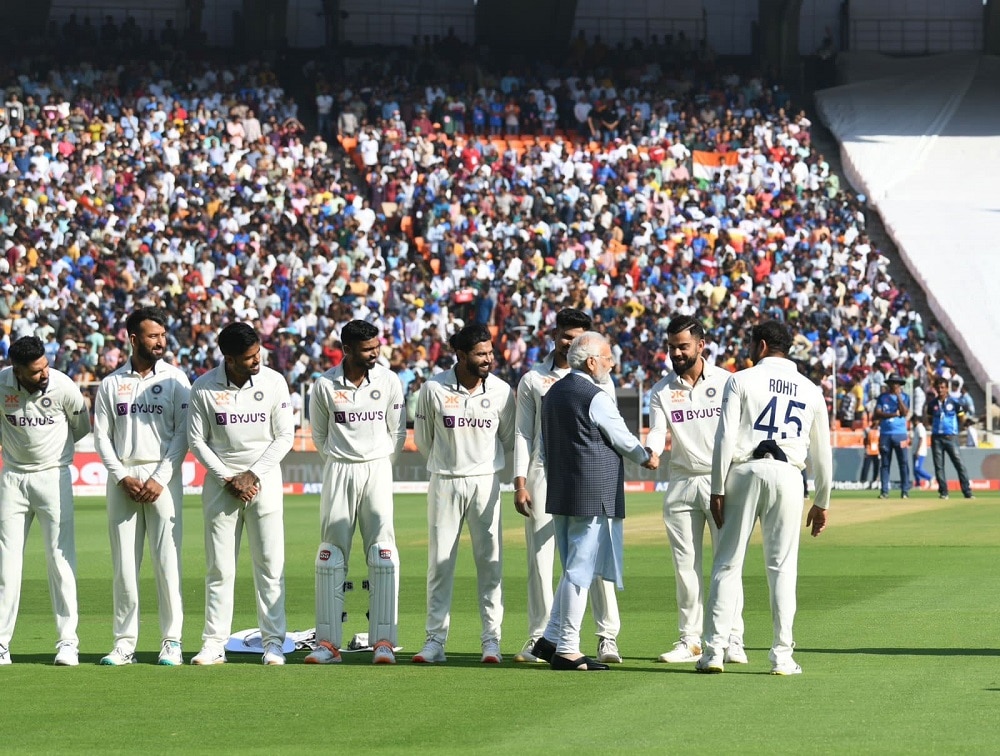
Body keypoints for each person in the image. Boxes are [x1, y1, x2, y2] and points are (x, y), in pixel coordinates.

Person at [699, 320, 831, 675]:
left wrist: (716, 488)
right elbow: (823, 452)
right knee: (783, 569)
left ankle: (713, 652)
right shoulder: (811, 389)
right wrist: (822, 501)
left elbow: (724, 438)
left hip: (745, 470)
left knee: (727, 563)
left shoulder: (740, 379)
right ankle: (782, 656)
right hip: (789, 474)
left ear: (760, 346)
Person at [529, 332, 657, 671]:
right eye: (608, 357)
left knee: (571, 565)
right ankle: (568, 648)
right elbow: (621, 436)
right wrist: (646, 457)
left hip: (562, 487)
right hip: (592, 489)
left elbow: (543, 444)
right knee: (579, 569)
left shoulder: (553, 391)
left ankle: (552, 638)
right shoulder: (595, 395)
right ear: (591, 361)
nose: (612, 363)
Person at [511, 309, 623, 665]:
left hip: (586, 472)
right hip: (545, 470)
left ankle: (607, 636)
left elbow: (610, 430)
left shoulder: (601, 378)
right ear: (554, 334)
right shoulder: (534, 378)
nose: (570, 342)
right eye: (566, 335)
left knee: (593, 555)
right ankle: (542, 636)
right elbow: (523, 432)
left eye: (578, 336)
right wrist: (520, 480)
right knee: (542, 560)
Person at [187, 322, 294, 665]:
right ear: (228, 359)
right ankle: (214, 643)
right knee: (219, 568)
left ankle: (274, 642)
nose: (256, 361)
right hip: (222, 485)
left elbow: (284, 437)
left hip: (263, 480)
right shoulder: (203, 387)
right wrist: (226, 477)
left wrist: (252, 474)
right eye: (248, 357)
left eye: (257, 354)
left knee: (270, 565)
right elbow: (196, 441)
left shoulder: (274, 382)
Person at [411, 325, 516, 664]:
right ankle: (434, 641)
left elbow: (509, 439)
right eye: (481, 354)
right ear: (461, 355)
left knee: (490, 565)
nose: (488, 359)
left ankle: (491, 641)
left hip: (486, 482)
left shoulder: (501, 390)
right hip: (444, 481)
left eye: (490, 353)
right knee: (440, 565)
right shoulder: (433, 388)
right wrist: (446, 464)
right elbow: (424, 440)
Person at [304, 320, 406, 666]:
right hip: (339, 469)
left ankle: (384, 641)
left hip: (377, 467)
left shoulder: (389, 380)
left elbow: (397, 433)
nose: (374, 353)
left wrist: (377, 463)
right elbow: (319, 435)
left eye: (376, 347)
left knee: (382, 555)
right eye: (366, 349)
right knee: (330, 557)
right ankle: (328, 643)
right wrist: (342, 463)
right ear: (346, 350)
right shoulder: (324, 385)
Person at [646, 316, 746, 665]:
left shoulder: (727, 382)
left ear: (701, 345)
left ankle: (733, 638)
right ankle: (690, 640)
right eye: (671, 347)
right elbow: (658, 430)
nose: (676, 353)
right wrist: (652, 450)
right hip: (682, 482)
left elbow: (741, 430)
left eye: (682, 346)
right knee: (684, 567)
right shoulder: (660, 390)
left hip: (723, 481)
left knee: (727, 564)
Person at [93, 307, 191, 666]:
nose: (161, 341)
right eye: (153, 336)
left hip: (162, 478)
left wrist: (160, 477)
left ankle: (172, 641)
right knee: (123, 566)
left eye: (163, 335)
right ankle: (124, 643)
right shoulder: (110, 383)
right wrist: (120, 475)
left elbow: (184, 433)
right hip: (124, 478)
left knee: (167, 563)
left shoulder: (177, 380)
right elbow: (102, 436)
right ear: (133, 339)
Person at [0, 336, 91, 666]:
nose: (44, 374)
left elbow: (81, 427)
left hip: (53, 476)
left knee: (60, 560)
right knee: (6, 565)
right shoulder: (2, 385)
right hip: (12, 478)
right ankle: (1, 644)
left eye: (45, 366)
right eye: (36, 371)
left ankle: (68, 642)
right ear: (17, 370)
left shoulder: (63, 386)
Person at [926, 377, 973, 500]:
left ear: (947, 388)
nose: (940, 390)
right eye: (938, 387)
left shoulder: (955, 403)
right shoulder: (932, 404)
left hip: (950, 437)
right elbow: (929, 420)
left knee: (959, 464)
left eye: (943, 387)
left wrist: (954, 430)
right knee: (939, 466)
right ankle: (943, 492)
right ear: (935, 388)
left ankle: (967, 492)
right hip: (936, 438)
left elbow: (962, 418)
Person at [873, 373, 911, 499]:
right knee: (885, 463)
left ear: (900, 384)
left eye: (897, 382)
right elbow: (877, 413)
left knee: (903, 463)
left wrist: (898, 396)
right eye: (892, 382)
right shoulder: (882, 397)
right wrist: (894, 415)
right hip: (885, 434)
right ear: (888, 384)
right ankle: (884, 491)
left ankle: (905, 491)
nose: (894, 385)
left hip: (900, 434)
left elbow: (904, 412)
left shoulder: (905, 397)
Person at [912, 419, 933, 490]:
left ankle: (930, 477)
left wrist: (918, 450)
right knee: (915, 470)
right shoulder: (917, 428)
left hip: (920, 452)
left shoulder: (920, 427)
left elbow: (921, 438)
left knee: (917, 468)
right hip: (916, 451)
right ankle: (918, 484)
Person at [859, 421, 880, 489]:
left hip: (877, 451)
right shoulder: (867, 430)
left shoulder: (879, 430)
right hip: (869, 451)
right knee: (866, 467)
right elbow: (864, 440)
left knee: (876, 467)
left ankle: (874, 481)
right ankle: (863, 481)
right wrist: (866, 448)